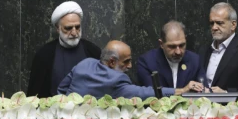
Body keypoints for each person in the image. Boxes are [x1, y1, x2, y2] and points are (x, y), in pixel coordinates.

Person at [58, 40, 200, 99]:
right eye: (126, 61)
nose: (130, 66)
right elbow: (144, 92)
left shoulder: (85, 63)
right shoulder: (117, 80)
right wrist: (180, 90)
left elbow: (62, 89)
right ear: (112, 62)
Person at [27, 1, 101, 98]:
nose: (74, 33)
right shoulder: (44, 55)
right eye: (68, 28)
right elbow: (34, 96)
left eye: (77, 27)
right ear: (58, 28)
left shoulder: (93, 51)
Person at [199, 2, 238, 99]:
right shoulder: (204, 51)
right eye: (212, 23)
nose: (214, 27)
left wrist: (226, 94)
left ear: (233, 25)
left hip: (231, 111)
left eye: (219, 23)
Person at [137, 21, 205, 91]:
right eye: (172, 47)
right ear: (161, 44)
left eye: (182, 45)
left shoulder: (195, 60)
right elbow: (150, 93)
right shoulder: (146, 62)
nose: (178, 52)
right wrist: (183, 90)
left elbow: (204, 90)